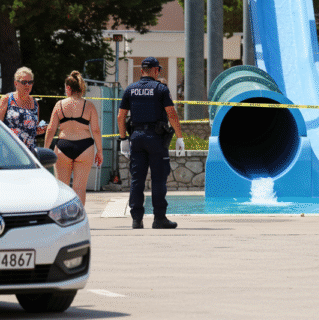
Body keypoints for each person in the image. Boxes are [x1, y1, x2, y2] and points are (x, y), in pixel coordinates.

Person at [117, 57, 185, 229]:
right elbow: (171, 114)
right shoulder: (160, 89)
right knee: (158, 180)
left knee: (137, 180)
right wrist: (179, 137)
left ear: (141, 71)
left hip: (136, 138)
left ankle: (136, 219)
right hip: (156, 139)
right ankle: (159, 219)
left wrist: (123, 139)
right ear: (156, 71)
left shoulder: (130, 89)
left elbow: (121, 116)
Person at [44, 71, 103, 205]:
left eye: (65, 88)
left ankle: (63, 221)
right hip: (85, 147)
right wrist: (99, 150)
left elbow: (51, 129)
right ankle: (79, 220)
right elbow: (95, 130)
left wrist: (45, 150)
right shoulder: (89, 106)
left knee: (62, 188)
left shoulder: (59, 105)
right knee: (80, 188)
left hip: (63, 146)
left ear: (69, 88)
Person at [0, 67, 44, 152]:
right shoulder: (6, 99)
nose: (27, 85)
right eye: (24, 82)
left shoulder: (35, 103)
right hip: (9, 151)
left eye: (30, 82)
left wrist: (43, 128)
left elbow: (35, 129)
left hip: (29, 153)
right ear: (16, 83)